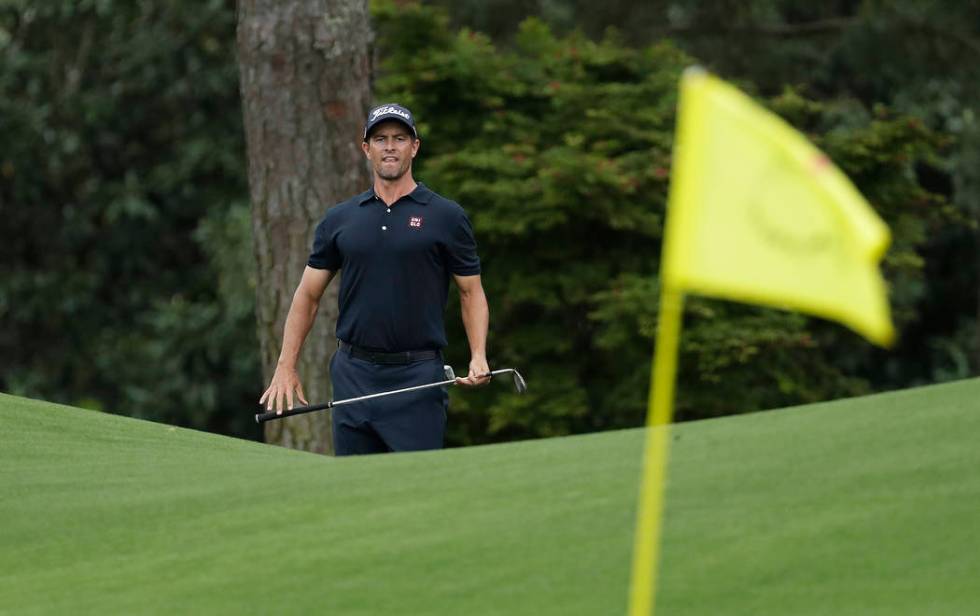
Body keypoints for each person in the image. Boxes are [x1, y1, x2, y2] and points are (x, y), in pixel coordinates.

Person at [259, 103, 490, 455]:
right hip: (354, 375)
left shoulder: (446, 216)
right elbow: (307, 295)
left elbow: (470, 292)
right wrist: (286, 365)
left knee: (416, 492)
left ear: (415, 147)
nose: (390, 146)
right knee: (355, 493)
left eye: (400, 138)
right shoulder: (340, 219)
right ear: (366, 149)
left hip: (418, 377)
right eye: (380, 139)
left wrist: (478, 355)